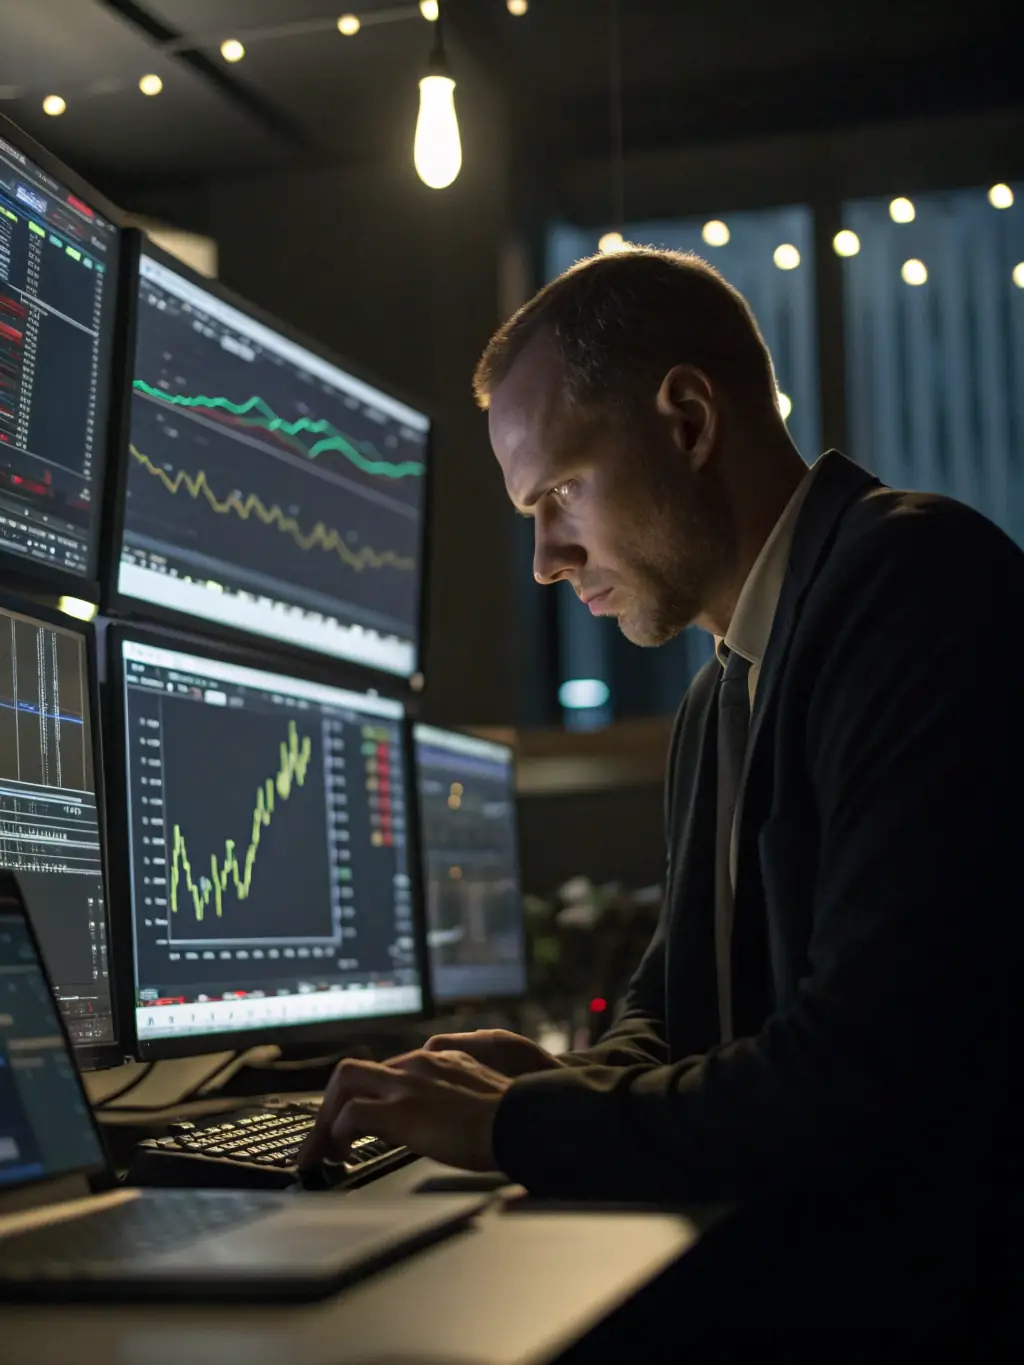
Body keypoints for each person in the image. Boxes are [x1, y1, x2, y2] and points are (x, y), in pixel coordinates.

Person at [301, 249, 1020, 1340]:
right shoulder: (721, 691)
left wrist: (526, 1126)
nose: (546, 558)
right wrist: (554, 1086)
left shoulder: (918, 587)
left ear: (686, 420)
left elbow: (861, 1074)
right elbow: (669, 1014)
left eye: (559, 494)